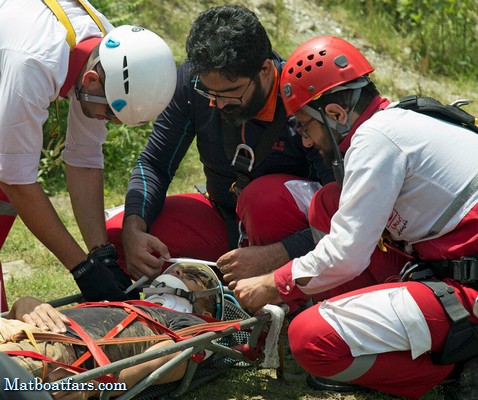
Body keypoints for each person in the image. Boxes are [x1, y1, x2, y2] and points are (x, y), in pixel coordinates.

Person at [233, 35, 478, 399]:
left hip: (467, 283)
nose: (304, 140)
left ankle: (455, 368)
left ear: (335, 114)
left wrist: (274, 283)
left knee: (308, 338)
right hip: (452, 265)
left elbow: (347, 253)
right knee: (329, 202)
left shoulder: (375, 140)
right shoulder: (394, 122)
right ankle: (381, 336)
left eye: (304, 126)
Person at [105, 5, 335, 285]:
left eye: (230, 93)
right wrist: (133, 227)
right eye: (208, 92)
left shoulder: (304, 100)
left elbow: (342, 213)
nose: (217, 103)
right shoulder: (194, 82)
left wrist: (278, 254)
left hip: (292, 235)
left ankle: (280, 296)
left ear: (264, 70)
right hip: (225, 217)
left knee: (261, 199)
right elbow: (155, 163)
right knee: (118, 233)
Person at [0, 0, 178, 311]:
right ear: (91, 81)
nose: (107, 122)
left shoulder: (106, 49)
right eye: (109, 114)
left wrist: (101, 254)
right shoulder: (33, 64)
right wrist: (81, 268)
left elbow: (84, 157)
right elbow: (16, 181)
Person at [1, 262, 225, 399]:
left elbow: (172, 359)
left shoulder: (189, 323)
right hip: (21, 329)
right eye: (178, 270)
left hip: (55, 353)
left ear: (205, 315)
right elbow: (25, 310)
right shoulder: (118, 303)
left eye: (191, 277)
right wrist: (26, 303)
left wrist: (94, 386)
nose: (177, 271)